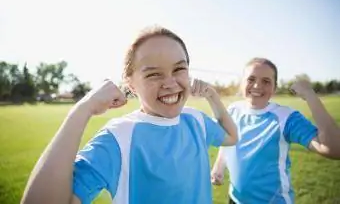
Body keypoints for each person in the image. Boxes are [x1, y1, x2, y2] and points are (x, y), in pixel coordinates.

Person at [20, 26, 238, 204]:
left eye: (179, 69)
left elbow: (232, 137)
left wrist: (212, 96)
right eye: (154, 74)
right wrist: (81, 110)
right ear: (130, 84)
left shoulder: (195, 120)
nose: (170, 84)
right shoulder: (118, 137)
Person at [211, 57, 340, 204]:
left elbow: (333, 149)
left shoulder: (287, 118)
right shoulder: (233, 110)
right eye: (251, 79)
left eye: (266, 81)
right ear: (242, 83)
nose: (257, 86)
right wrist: (219, 165)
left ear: (274, 87)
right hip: (235, 199)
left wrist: (310, 95)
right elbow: (227, 139)